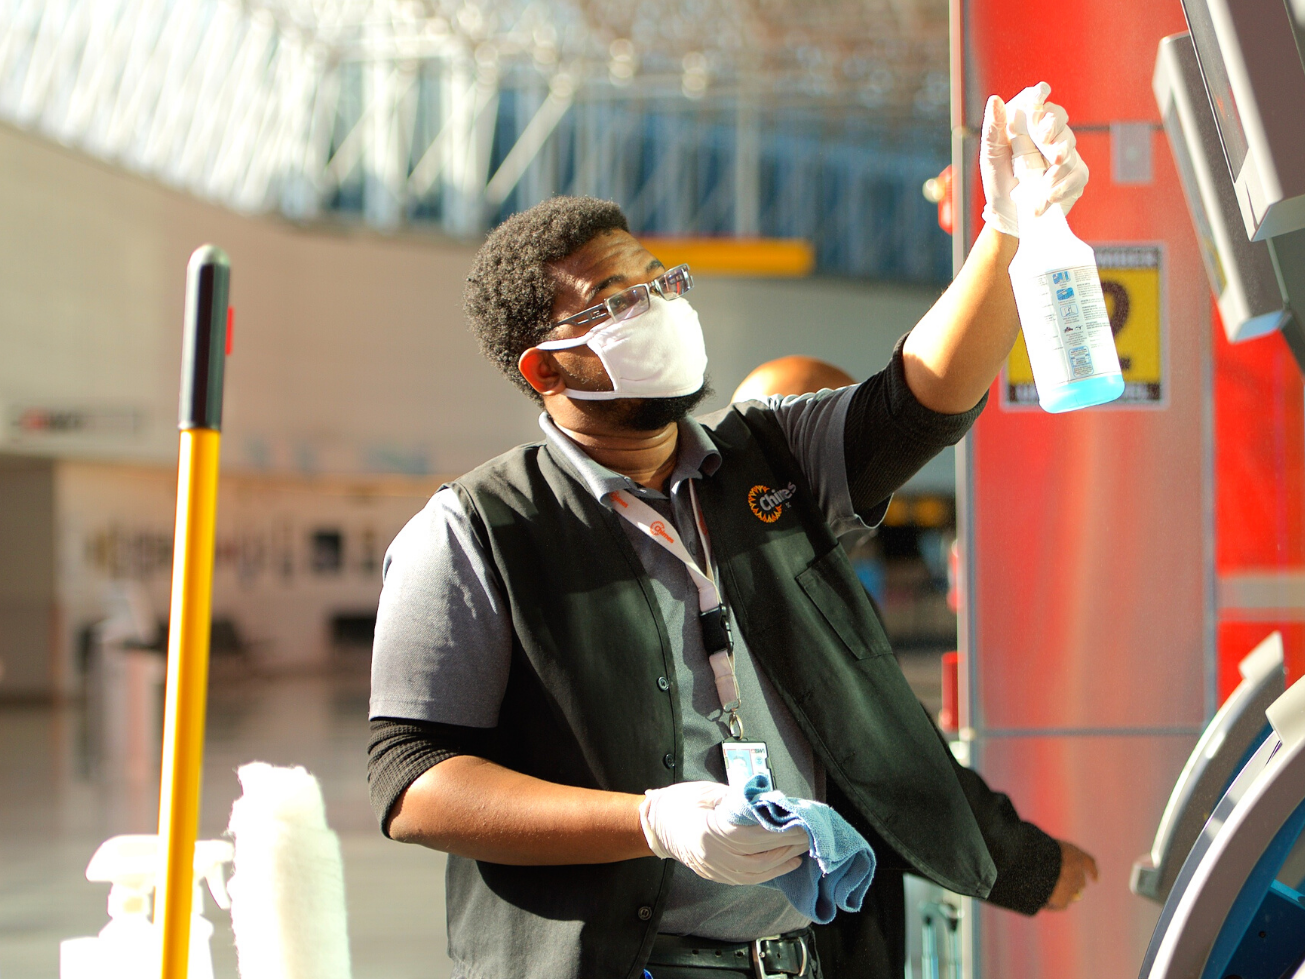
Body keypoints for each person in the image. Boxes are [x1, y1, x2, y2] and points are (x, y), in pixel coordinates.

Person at [366, 83, 1091, 979]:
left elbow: (918, 402)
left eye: (661, 281)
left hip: (818, 954)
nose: (661, 307)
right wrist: (651, 821)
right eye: (616, 301)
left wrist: (1007, 232)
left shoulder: (771, 458)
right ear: (545, 366)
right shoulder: (477, 532)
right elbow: (413, 780)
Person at [730, 357, 1100, 978]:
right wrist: (1028, 865)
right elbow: (879, 764)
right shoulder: (779, 585)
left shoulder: (788, 575)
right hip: (797, 946)